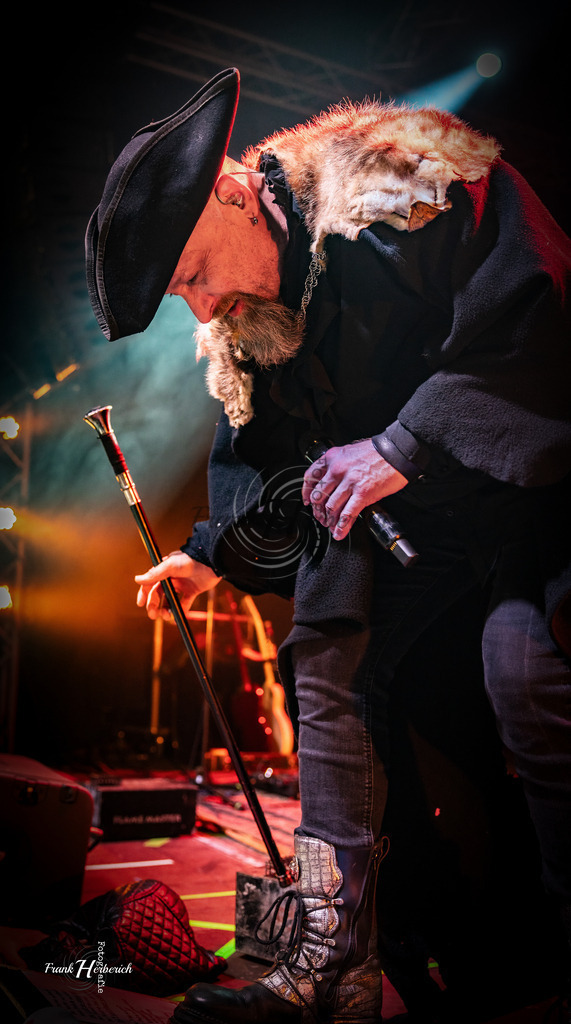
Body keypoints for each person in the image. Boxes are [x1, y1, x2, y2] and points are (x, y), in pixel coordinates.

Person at [86, 68, 571, 1023]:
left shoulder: (408, 184)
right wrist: (212, 553)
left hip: (530, 483)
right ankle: (331, 960)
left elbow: (538, 315)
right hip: (416, 529)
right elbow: (268, 471)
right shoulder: (250, 331)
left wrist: (404, 443)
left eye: (191, 275)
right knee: (325, 645)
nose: (201, 308)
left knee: (528, 676)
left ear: (231, 192)